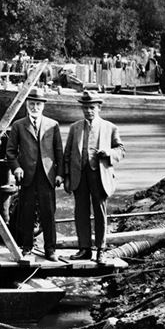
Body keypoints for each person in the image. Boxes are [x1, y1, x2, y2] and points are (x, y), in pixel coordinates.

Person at [62, 91, 125, 264]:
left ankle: (101, 250)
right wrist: (66, 176)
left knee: (100, 212)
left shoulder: (110, 127)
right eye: (85, 108)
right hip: (79, 175)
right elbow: (67, 154)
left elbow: (121, 150)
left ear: (98, 108)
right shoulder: (75, 128)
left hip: (99, 175)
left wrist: (108, 153)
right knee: (80, 212)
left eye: (92, 108)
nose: (88, 111)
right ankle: (84, 249)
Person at [5, 88, 63, 260]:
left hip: (47, 176)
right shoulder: (18, 125)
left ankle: (50, 250)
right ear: (27, 106)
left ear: (43, 106)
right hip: (27, 176)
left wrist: (60, 174)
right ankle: (27, 247)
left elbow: (59, 151)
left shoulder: (53, 125)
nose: (35, 107)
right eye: (32, 104)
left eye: (38, 104)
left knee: (48, 213)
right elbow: (10, 151)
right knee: (27, 212)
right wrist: (16, 168)